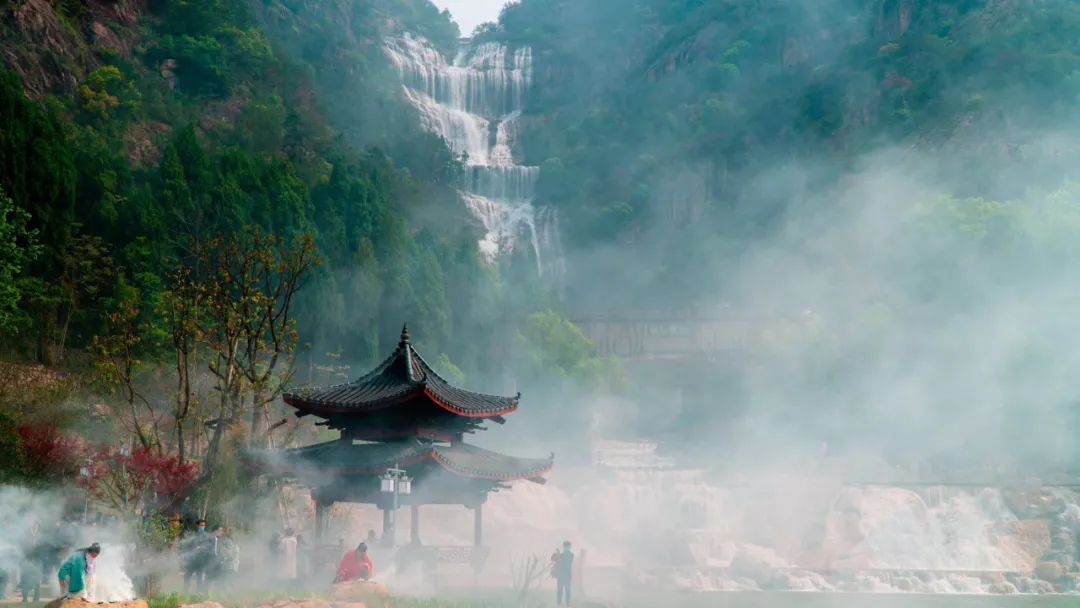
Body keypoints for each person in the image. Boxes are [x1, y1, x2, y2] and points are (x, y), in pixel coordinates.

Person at [552, 541, 573, 606]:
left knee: (563, 591)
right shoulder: (568, 555)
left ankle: (563, 604)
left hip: (564, 576)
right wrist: (557, 554)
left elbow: (554, 559)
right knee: (564, 591)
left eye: (566, 546)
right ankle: (564, 604)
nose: (565, 548)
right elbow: (553, 558)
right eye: (565, 546)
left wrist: (558, 554)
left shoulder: (568, 555)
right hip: (564, 576)